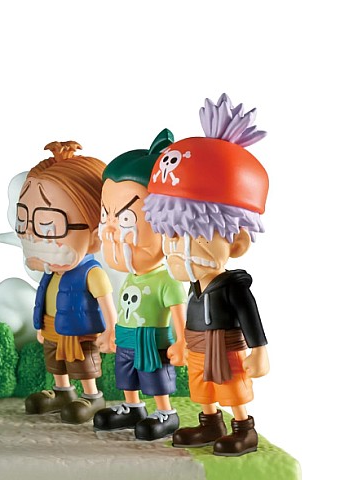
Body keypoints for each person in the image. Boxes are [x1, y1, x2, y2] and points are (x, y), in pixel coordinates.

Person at [143, 94, 269, 456]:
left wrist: (259, 351)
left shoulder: (233, 287)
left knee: (231, 386)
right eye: (172, 235)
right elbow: (187, 316)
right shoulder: (193, 286)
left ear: (237, 241)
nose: (179, 247)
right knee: (201, 387)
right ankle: (210, 423)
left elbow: (250, 318)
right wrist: (184, 343)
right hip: (198, 345)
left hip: (225, 346)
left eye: (195, 235)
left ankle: (243, 429)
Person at [93, 131, 187, 440]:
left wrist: (181, 342)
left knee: (154, 374)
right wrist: (112, 331)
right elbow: (122, 310)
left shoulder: (166, 280)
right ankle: (133, 407)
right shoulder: (130, 277)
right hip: (127, 336)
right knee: (127, 374)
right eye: (106, 215)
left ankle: (165, 411)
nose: (111, 230)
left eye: (124, 219)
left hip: (152, 340)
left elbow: (178, 313)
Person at [17, 141, 116, 424]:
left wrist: (110, 331)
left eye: (49, 226)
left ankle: (92, 396)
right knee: (56, 362)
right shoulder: (52, 272)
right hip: (52, 327)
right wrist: (40, 325)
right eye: (24, 221)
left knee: (81, 363)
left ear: (95, 233)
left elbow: (106, 305)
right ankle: (62, 392)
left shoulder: (91, 273)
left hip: (80, 332)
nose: (35, 237)